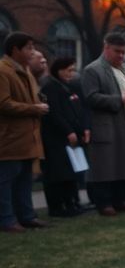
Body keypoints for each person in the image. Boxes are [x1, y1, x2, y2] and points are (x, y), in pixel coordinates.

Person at [82, 31, 125, 216]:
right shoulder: (93, 70)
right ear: (106, 47)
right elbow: (91, 98)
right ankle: (104, 202)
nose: (121, 56)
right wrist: (120, 99)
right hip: (106, 125)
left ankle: (121, 198)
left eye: (124, 52)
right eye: (117, 51)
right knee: (105, 165)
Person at [0, 32, 49, 231]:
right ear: (15, 50)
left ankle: (27, 216)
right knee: (5, 182)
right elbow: (3, 103)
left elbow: (30, 98)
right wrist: (34, 108)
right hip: (9, 138)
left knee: (24, 181)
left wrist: (39, 103)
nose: (33, 52)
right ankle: (7, 220)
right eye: (28, 47)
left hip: (27, 137)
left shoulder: (25, 71)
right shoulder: (3, 71)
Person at [39, 57, 89, 216]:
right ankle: (57, 207)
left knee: (71, 173)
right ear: (58, 70)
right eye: (68, 70)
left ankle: (72, 203)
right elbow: (55, 113)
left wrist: (83, 128)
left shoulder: (69, 87)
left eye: (73, 70)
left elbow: (78, 110)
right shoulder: (50, 87)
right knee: (58, 174)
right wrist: (69, 131)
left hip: (70, 138)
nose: (71, 73)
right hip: (56, 138)